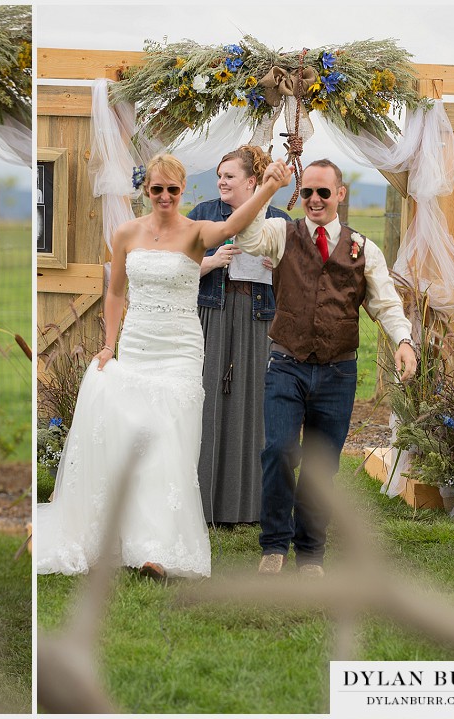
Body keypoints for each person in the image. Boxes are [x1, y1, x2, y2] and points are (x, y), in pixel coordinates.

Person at [36, 153, 291, 579]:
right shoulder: (126, 233)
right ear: (146, 191)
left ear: (182, 189)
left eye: (173, 189)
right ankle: (123, 536)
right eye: (157, 189)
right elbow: (115, 292)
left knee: (171, 439)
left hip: (180, 349)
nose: (166, 197)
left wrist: (269, 187)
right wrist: (108, 344)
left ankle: (159, 549)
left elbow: (231, 228)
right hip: (137, 344)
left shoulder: (195, 232)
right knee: (133, 440)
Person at [236, 158, 417, 577]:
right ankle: (274, 544)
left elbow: (386, 304)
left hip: (338, 372)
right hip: (287, 363)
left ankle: (311, 553)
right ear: (299, 196)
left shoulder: (363, 249)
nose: (314, 200)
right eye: (307, 192)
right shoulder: (281, 233)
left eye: (322, 192)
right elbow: (246, 239)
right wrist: (266, 189)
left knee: (322, 464)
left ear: (340, 194)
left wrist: (404, 341)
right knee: (278, 449)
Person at [188, 146, 291, 525]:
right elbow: (175, 266)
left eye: (229, 176)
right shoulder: (203, 215)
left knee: (253, 406)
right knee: (208, 401)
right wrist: (212, 262)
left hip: (258, 320)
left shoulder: (278, 220)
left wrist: (278, 268)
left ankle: (250, 506)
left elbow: (297, 281)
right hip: (212, 316)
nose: (221, 182)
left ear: (252, 181)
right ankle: (203, 503)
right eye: (220, 175)